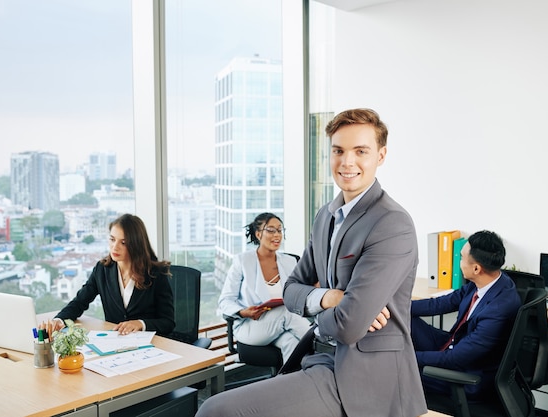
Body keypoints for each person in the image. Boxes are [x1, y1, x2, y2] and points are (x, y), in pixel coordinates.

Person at [197, 108, 427, 417]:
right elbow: (291, 289)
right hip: (318, 358)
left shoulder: (391, 223)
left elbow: (349, 326)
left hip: (363, 377)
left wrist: (332, 312)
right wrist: (330, 297)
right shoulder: (325, 217)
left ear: (381, 156)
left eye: (361, 151)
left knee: (217, 411)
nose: (347, 162)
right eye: (339, 151)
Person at [411, 230, 521, 401]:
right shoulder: (487, 281)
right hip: (452, 345)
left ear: (476, 268)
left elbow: (456, 359)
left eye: (461, 257)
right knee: (405, 319)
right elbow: (440, 304)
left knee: (398, 370)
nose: (459, 262)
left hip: (467, 375)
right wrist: (395, 308)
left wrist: (407, 357)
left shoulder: (498, 311)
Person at [41, 213, 175, 337]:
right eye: (112, 239)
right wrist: (59, 320)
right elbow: (79, 303)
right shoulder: (102, 269)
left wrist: (140, 324)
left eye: (123, 243)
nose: (114, 247)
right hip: (115, 344)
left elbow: (168, 322)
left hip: (152, 345)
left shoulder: (156, 273)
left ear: (136, 244)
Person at [217, 212, 312, 363]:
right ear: (258, 234)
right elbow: (225, 301)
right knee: (286, 312)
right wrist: (242, 312)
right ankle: (324, 345)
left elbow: (298, 292)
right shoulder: (243, 261)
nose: (277, 235)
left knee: (292, 343)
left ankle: (288, 382)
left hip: (279, 326)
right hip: (251, 326)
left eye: (280, 230)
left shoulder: (290, 261)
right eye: (271, 230)